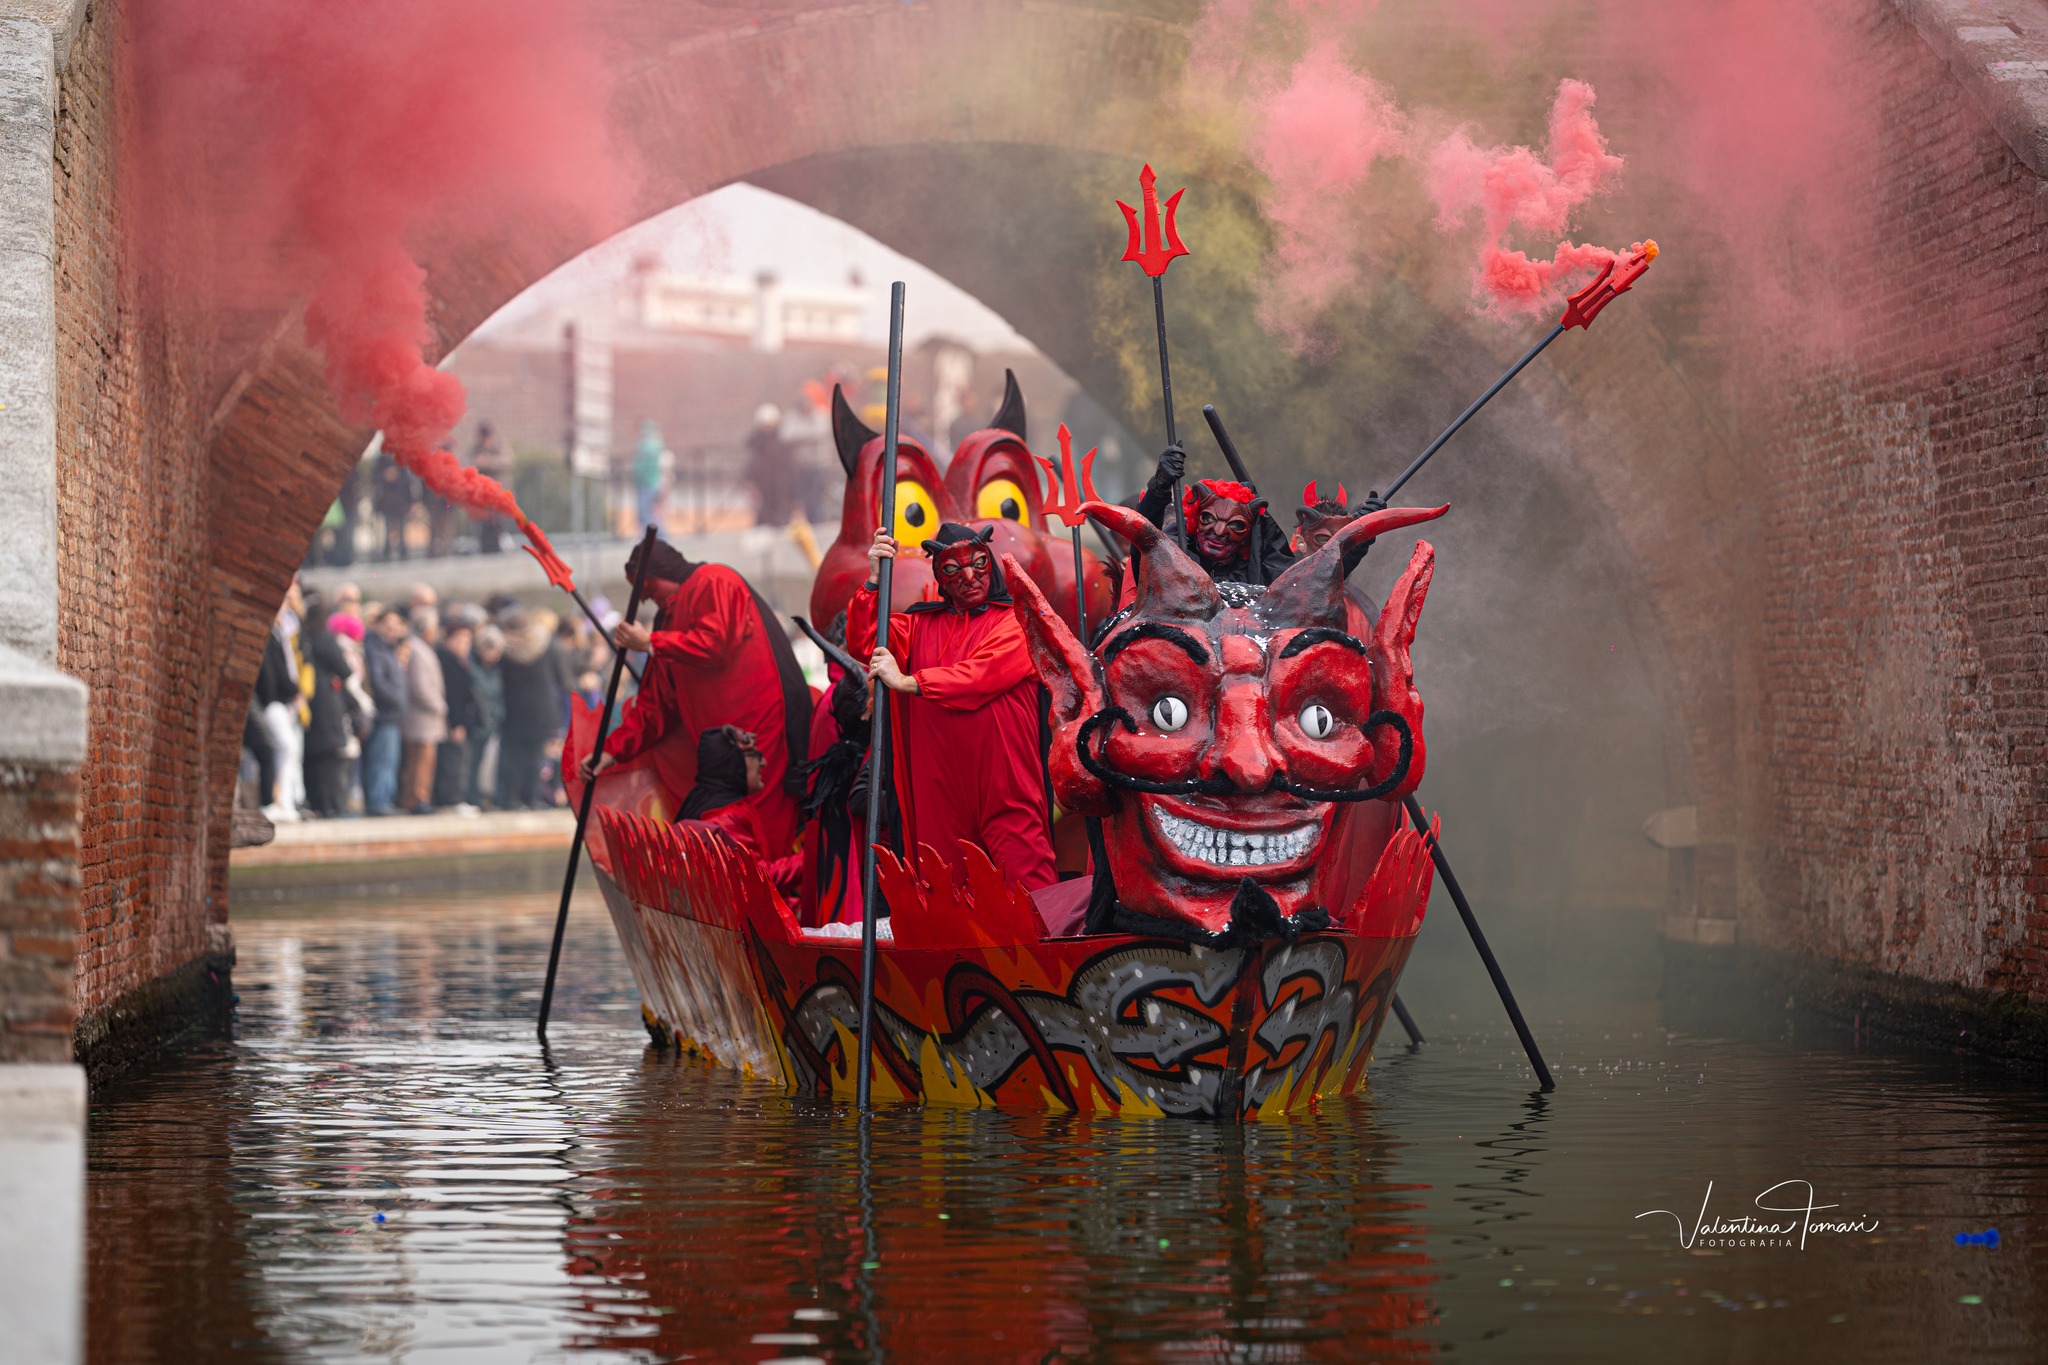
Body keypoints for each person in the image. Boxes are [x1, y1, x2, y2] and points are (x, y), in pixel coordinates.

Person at [848, 521, 1057, 892]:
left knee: (1030, 889)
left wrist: (911, 682)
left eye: (977, 563)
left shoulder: (1017, 623)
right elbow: (866, 641)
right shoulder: (918, 626)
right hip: (939, 790)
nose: (968, 576)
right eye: (952, 568)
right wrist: (874, 581)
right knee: (947, 894)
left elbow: (981, 676)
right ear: (939, 577)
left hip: (1004, 785)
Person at [587, 539, 813, 854]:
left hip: (758, 734)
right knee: (727, 831)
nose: (649, 601)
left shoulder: (714, 580)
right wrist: (609, 752)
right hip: (719, 758)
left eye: (649, 593)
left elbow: (717, 643)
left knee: (768, 821)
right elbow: (656, 705)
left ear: (652, 581)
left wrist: (651, 642)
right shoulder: (665, 621)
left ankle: (777, 891)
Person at [1133, 444, 1295, 585]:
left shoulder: (1258, 575)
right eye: (1208, 518)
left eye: (1236, 525)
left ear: (1247, 536)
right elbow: (1144, 547)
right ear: (1196, 522)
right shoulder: (1174, 555)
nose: (1218, 531)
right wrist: (1159, 487)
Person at [679, 726, 803, 896]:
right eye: (754, 755)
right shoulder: (723, 817)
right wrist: (812, 856)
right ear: (733, 762)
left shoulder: (711, 802)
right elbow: (757, 880)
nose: (763, 762)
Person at [498, 608, 565, 810]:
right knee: (536, 756)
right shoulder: (546, 644)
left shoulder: (505, 650)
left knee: (513, 756)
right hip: (542, 708)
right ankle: (533, 798)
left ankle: (511, 798)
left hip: (514, 708)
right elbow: (561, 677)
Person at [300, 595, 361, 817]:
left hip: (311, 702)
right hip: (327, 703)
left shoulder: (304, 636)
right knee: (330, 756)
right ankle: (331, 805)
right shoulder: (324, 638)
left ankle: (320, 803)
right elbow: (344, 668)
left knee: (315, 757)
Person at [400, 606, 447, 813]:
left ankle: (420, 797)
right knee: (420, 760)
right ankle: (417, 799)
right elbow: (419, 685)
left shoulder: (422, 648)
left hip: (426, 717)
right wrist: (439, 705)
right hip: (422, 717)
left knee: (423, 760)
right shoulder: (417, 650)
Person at [433, 616, 483, 811]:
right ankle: (451, 800)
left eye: (468, 641)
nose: (465, 645)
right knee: (453, 762)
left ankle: (455, 798)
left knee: (461, 760)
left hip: (462, 721)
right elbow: (453, 697)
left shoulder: (460, 661)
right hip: (455, 722)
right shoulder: (448, 661)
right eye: (460, 640)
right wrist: (456, 724)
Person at [362, 609, 409, 815]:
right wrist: (397, 700)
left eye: (395, 627)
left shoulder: (387, 648)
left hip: (393, 715)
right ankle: (378, 801)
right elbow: (378, 683)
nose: (392, 631)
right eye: (388, 626)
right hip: (384, 714)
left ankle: (386, 800)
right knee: (381, 760)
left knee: (390, 761)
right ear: (377, 625)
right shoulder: (374, 648)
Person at [468, 623, 506, 808]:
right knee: (473, 762)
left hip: (493, 722)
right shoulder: (472, 667)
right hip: (478, 723)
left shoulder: (497, 669)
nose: (496, 655)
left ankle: (484, 795)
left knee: (486, 763)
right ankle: (473, 796)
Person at [744, 403, 797, 527]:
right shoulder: (756, 443)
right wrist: (750, 483)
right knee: (762, 515)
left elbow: (789, 466)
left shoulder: (782, 442)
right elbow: (752, 463)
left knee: (781, 516)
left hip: (780, 484)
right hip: (762, 482)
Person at [470, 422, 512, 554]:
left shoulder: (498, 448)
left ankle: (501, 544)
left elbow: (508, 461)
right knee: (482, 524)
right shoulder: (475, 450)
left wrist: (490, 462)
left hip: (497, 494)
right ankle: (482, 546)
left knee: (499, 522)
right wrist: (478, 462)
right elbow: (466, 462)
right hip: (481, 497)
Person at [372, 449, 417, 562]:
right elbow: (374, 478)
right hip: (386, 501)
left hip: (400, 501)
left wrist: (411, 501)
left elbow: (407, 482)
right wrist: (385, 476)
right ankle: (386, 552)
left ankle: (403, 551)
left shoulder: (401, 462)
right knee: (387, 527)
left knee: (402, 527)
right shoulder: (381, 461)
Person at [634, 419, 670, 531]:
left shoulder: (648, 446)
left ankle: (656, 539)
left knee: (647, 514)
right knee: (652, 514)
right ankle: (658, 539)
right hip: (652, 484)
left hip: (649, 484)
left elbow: (643, 468)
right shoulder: (658, 446)